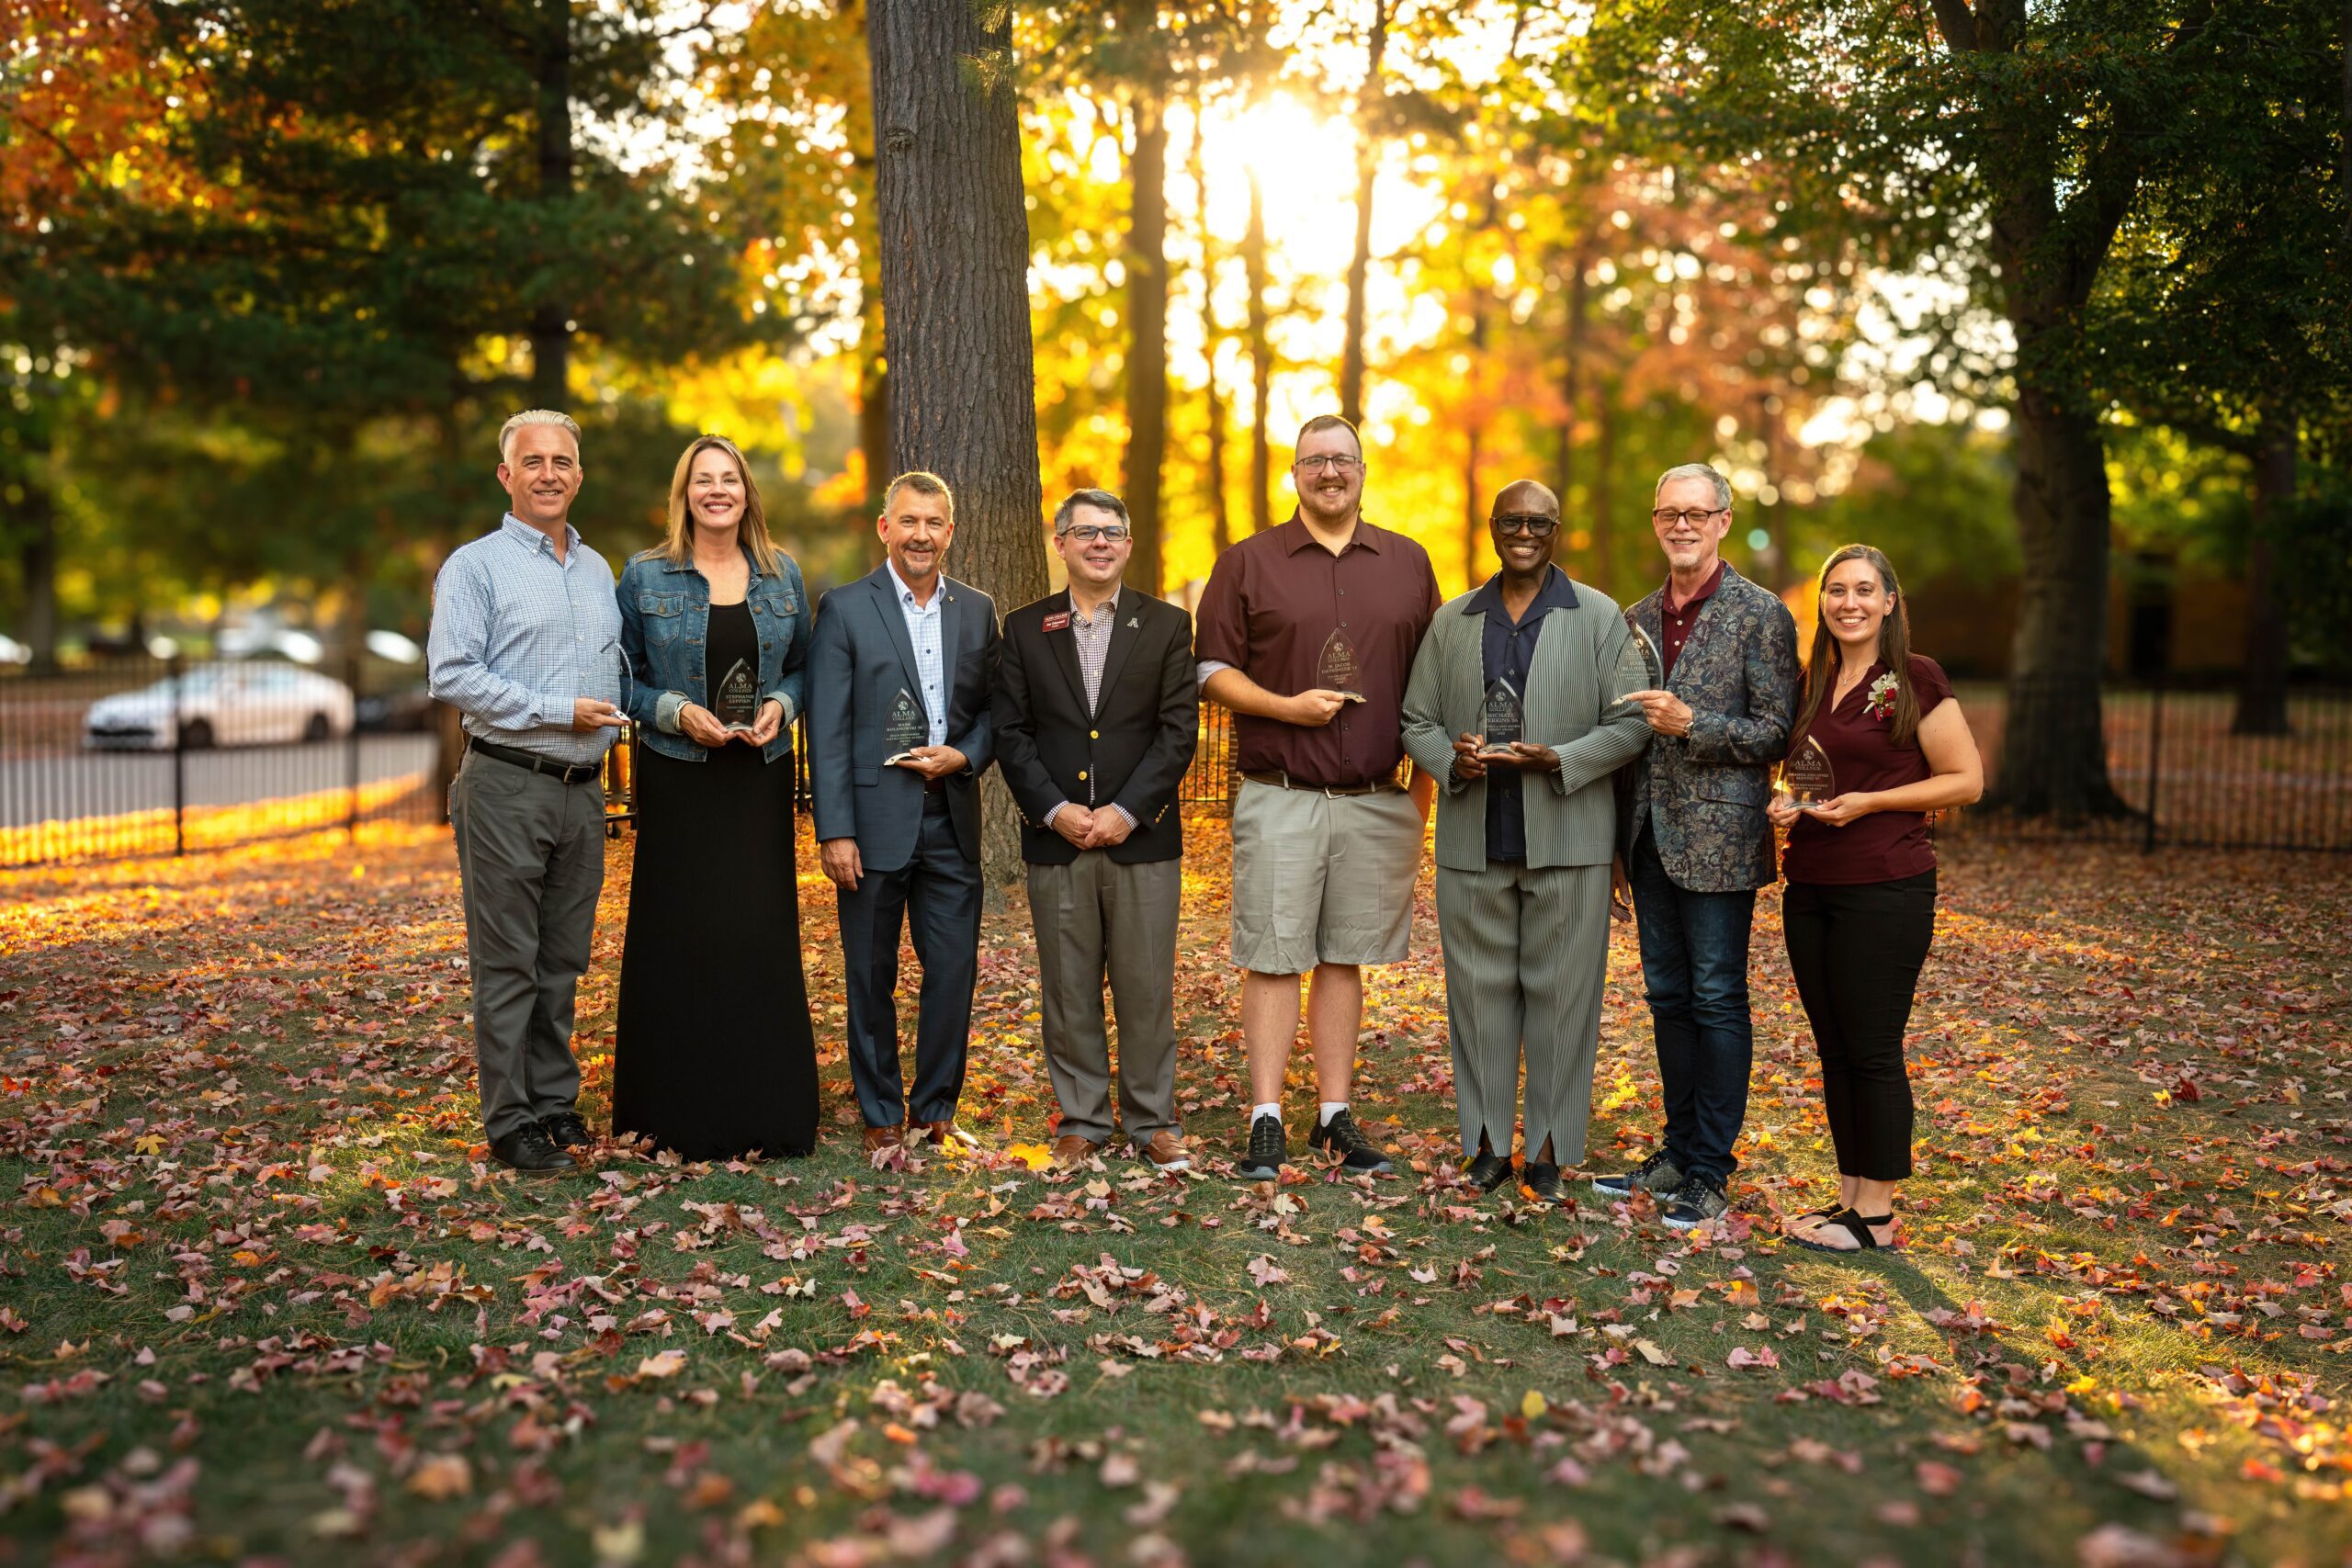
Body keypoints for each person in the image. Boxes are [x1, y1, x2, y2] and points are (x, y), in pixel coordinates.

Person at [1193, 413, 1442, 1182]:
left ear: (1363, 470)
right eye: (1314, 461)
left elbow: (1436, 685)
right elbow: (1210, 671)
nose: (1328, 472)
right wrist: (1285, 706)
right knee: (1273, 954)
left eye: (1342, 459)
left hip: (1377, 799)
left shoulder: (1408, 562)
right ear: (1293, 473)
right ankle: (1265, 1117)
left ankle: (1333, 1118)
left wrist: (1419, 799)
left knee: (1344, 958)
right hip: (1281, 794)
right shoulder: (1247, 562)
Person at [1400, 481, 1652, 1201]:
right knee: (1477, 998)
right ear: (1492, 527)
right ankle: (1485, 1145)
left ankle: (1548, 1146)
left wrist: (1559, 760)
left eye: (1539, 522)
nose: (1525, 531)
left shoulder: (1599, 616)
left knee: (1564, 997)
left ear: (1556, 529)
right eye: (1512, 520)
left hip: (1569, 840)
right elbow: (1415, 718)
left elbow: (1633, 723)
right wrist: (1452, 758)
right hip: (1472, 842)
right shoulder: (1453, 620)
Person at [1595, 462, 1799, 1230]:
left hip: (1720, 843)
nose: (1681, 524)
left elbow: (1778, 731)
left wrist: (1696, 726)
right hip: (1648, 839)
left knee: (1717, 999)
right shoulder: (1634, 616)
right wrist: (1618, 842)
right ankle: (1677, 1152)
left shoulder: (1761, 614)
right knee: (1667, 999)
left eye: (1696, 512)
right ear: (1657, 523)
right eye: (1668, 513)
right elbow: (1624, 740)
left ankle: (1711, 1167)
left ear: (1722, 520)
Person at [426, 409, 626, 1175]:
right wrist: (556, 710)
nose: (550, 473)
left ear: (579, 474)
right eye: (533, 461)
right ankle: (510, 1121)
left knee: (562, 960)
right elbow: (452, 672)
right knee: (508, 961)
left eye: (563, 461)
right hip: (508, 781)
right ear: (507, 476)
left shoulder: (597, 568)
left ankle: (554, 1105)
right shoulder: (474, 566)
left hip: (582, 791)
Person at [609, 434, 819, 1161]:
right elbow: (620, 681)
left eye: (729, 478)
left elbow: (804, 669)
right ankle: (672, 1118)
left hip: (757, 780)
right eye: (704, 479)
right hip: (679, 774)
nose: (718, 490)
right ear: (686, 493)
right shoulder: (644, 576)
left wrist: (783, 709)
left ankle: (768, 1112)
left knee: (756, 936)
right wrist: (673, 710)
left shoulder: (782, 573)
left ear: (746, 491)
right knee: (679, 936)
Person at [1769, 546, 1982, 1252]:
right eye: (1836, 590)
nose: (1848, 602)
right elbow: (1806, 775)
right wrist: (1786, 802)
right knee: (1834, 1048)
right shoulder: (1814, 679)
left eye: (1864, 590)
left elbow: (1964, 780)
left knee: (1873, 1048)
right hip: (1812, 886)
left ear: (1889, 601)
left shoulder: (1915, 677)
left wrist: (1871, 804)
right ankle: (1851, 1200)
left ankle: (1880, 1218)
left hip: (1885, 887)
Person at [994, 490, 1200, 1172]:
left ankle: (1151, 1119)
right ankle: (1082, 1118)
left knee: (1145, 986)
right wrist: (1057, 809)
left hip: (1141, 839)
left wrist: (1125, 810)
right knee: (1069, 986)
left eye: (1113, 531)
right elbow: (1011, 732)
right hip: (1058, 839)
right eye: (1086, 532)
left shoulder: (1168, 625)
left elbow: (1177, 734)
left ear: (1129, 543)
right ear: (1061, 544)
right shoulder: (1025, 629)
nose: (1101, 542)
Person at [807, 470, 1000, 1154]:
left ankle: (935, 1110)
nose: (922, 534)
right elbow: (826, 725)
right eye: (908, 521)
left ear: (950, 531)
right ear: (885, 528)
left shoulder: (977, 610)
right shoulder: (845, 608)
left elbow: (990, 713)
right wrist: (834, 829)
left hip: (951, 817)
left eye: (934, 522)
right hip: (871, 823)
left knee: (952, 971)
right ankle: (881, 1111)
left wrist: (964, 756)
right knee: (870, 974)